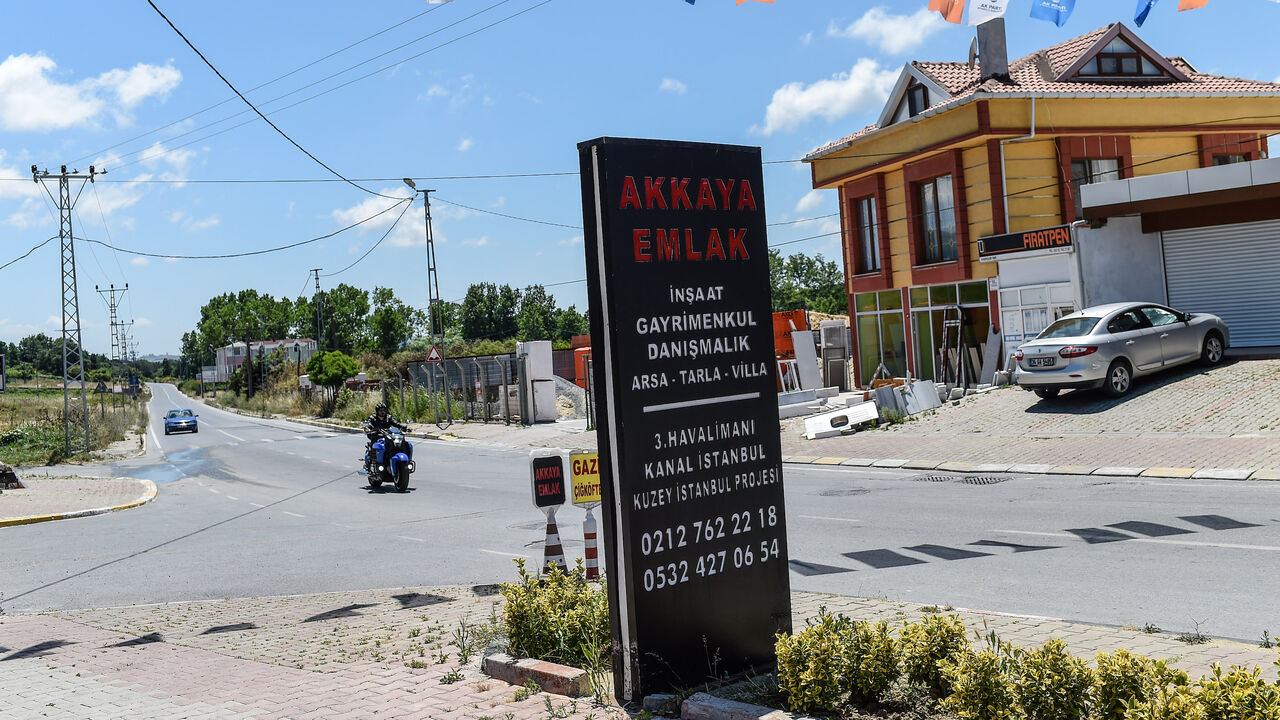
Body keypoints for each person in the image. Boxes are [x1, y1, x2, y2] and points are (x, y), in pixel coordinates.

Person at [363, 402, 408, 471]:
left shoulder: (389, 417)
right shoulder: (373, 418)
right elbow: (368, 425)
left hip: (388, 436)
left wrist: (403, 426)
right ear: (377, 411)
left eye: (384, 410)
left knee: (405, 444)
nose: (382, 412)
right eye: (380, 410)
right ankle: (370, 464)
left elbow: (396, 423)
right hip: (377, 436)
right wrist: (368, 429)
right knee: (376, 446)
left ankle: (407, 463)